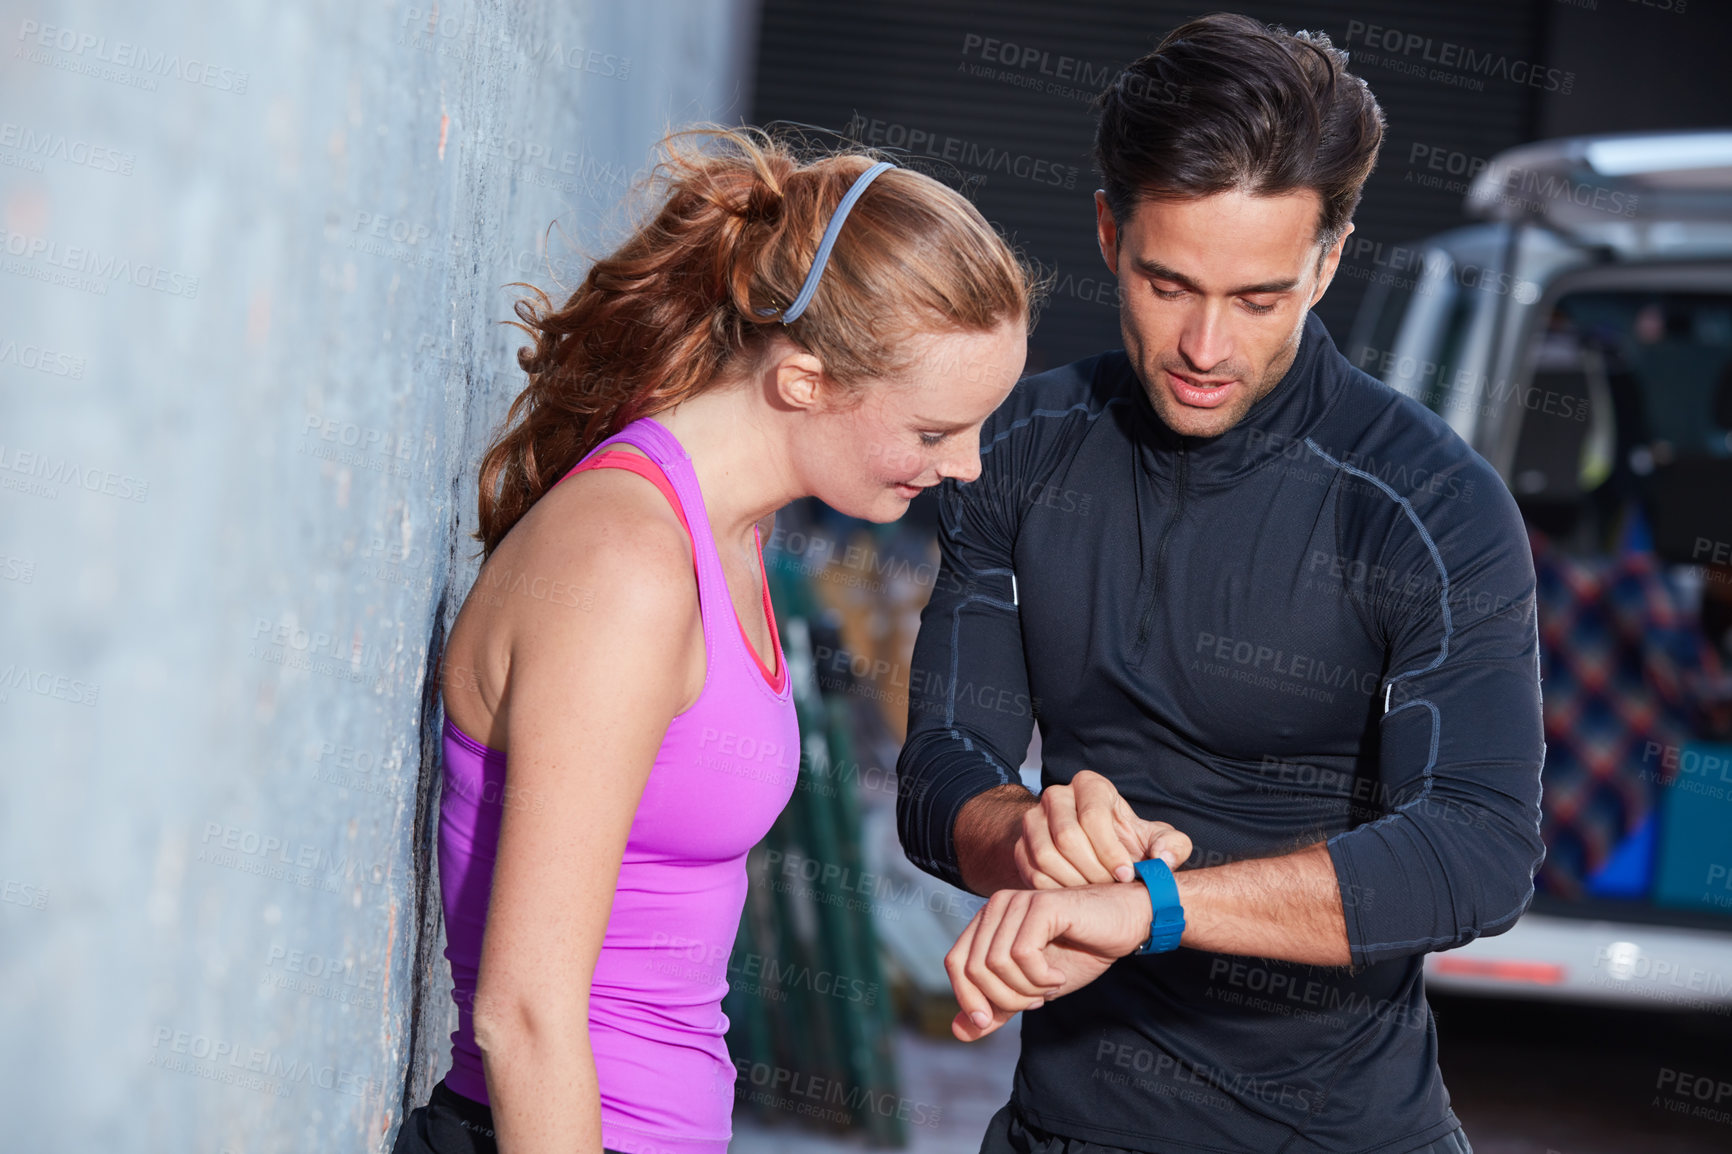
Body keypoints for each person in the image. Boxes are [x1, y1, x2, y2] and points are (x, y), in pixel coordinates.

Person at [895, 14, 1545, 1154]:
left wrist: (1150, 907)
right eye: (1167, 282)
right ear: (1108, 233)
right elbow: (941, 774)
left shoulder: (1428, 503)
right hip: (1066, 1129)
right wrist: (1031, 832)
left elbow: (1477, 850)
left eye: (1258, 298)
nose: (1204, 344)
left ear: (1328, 261)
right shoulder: (1022, 450)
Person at [393, 125, 1038, 1154]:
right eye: (931, 430)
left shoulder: (728, 532)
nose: (963, 463)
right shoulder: (627, 568)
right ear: (801, 381)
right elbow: (521, 1016)